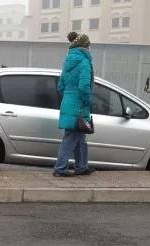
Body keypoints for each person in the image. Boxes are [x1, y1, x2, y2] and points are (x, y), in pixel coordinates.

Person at [54, 32, 95, 177]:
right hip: (78, 106)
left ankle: (81, 167)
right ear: (85, 47)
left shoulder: (68, 61)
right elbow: (84, 86)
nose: (90, 48)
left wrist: (69, 97)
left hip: (68, 103)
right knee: (70, 139)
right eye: (89, 46)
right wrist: (87, 101)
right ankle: (60, 169)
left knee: (80, 139)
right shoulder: (84, 62)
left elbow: (60, 86)